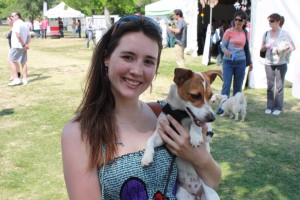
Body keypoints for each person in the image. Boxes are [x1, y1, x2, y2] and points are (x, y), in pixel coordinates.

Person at [62, 14, 221, 199]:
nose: (137, 71)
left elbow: (213, 181)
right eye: (128, 57)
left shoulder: (166, 114)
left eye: (148, 61)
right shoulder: (80, 132)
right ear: (107, 58)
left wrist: (198, 157)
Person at [216, 11, 252, 115]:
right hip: (228, 62)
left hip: (241, 62)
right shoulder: (228, 31)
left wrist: (249, 62)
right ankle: (222, 108)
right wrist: (228, 53)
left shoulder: (245, 32)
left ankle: (236, 108)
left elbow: (246, 48)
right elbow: (223, 46)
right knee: (226, 85)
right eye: (236, 19)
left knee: (238, 86)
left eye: (240, 20)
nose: (237, 22)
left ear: (244, 21)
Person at [260, 13, 295, 116]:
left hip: (281, 63)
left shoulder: (285, 34)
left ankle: (278, 107)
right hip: (268, 62)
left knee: (279, 86)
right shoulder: (266, 33)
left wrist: (285, 48)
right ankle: (269, 106)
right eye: (269, 21)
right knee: (270, 85)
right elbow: (261, 48)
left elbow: (293, 46)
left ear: (278, 22)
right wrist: (266, 46)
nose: (270, 23)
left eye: (272, 21)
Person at [8, 12, 30, 86]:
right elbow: (28, 36)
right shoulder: (25, 24)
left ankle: (16, 79)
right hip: (23, 46)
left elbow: (18, 34)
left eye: (12, 16)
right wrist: (26, 44)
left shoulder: (17, 23)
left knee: (12, 61)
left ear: (17, 16)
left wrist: (24, 44)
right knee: (23, 62)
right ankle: (24, 79)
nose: (11, 18)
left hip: (17, 45)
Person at [6, 16, 21, 81]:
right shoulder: (12, 28)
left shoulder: (15, 28)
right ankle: (18, 73)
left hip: (14, 47)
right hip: (12, 46)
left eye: (8, 20)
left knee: (11, 60)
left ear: (12, 21)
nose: (7, 22)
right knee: (14, 61)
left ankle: (14, 75)